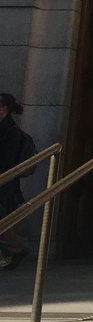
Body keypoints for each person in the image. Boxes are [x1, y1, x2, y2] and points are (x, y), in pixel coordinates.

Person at [0, 93, 35, 271]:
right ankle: (15, 250)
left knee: (7, 221)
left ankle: (17, 250)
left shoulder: (10, 132)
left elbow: (7, 161)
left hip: (5, 185)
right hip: (6, 186)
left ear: (3, 108)